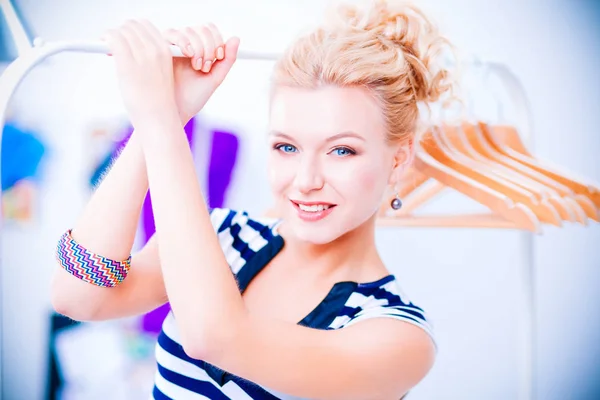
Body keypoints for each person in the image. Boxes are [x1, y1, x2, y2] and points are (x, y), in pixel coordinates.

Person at [51, 0, 456, 398]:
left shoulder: (397, 336)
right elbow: (79, 297)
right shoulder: (224, 238)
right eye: (286, 147)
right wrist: (167, 114)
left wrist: (159, 119)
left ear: (399, 161)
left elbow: (216, 337)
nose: (306, 180)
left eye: (341, 151)